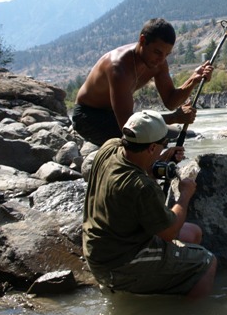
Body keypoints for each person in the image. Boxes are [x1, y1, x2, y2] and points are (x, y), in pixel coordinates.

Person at [82, 109, 217, 300]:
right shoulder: (141, 186)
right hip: (120, 262)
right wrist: (185, 194)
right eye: (163, 143)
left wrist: (159, 163)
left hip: (100, 249)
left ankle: (165, 281)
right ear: (152, 148)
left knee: (192, 233)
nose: (165, 146)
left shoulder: (109, 148)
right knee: (207, 262)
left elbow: (133, 173)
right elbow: (169, 232)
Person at [72, 17, 213, 147]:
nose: (161, 60)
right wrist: (175, 117)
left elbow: (171, 101)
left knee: (178, 136)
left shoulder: (159, 63)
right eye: (157, 52)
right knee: (146, 141)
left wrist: (194, 79)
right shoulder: (118, 68)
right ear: (142, 40)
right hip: (88, 117)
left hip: (116, 115)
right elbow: (128, 125)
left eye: (166, 55)